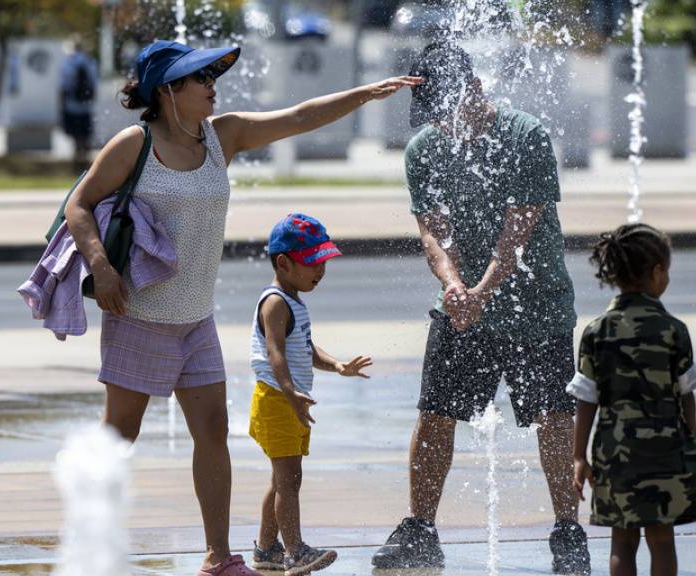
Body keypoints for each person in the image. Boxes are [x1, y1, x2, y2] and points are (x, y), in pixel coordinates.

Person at [62, 39, 418, 576]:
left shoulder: (220, 135)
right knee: (118, 437)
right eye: (199, 79)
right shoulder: (133, 145)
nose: (212, 86)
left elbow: (297, 117)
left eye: (211, 76)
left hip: (195, 320)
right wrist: (102, 267)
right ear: (167, 90)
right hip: (140, 317)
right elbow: (78, 205)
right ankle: (87, 546)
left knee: (212, 431)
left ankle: (218, 557)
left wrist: (362, 95)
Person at [371, 41, 590, 575]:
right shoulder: (424, 148)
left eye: (449, 110)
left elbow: (521, 224)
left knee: (553, 419)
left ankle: (567, 531)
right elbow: (433, 229)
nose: (445, 125)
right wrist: (453, 287)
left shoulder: (525, 135)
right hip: (461, 307)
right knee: (435, 415)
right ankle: (420, 528)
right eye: (434, 116)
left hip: (537, 307)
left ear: (474, 88)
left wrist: (482, 290)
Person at [568, 223, 696, 576]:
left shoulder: (596, 331)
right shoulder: (673, 329)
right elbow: (686, 396)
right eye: (666, 270)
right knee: (662, 539)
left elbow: (586, 400)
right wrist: (691, 444)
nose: (667, 278)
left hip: (614, 449)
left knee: (622, 541)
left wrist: (579, 456)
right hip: (665, 448)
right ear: (656, 272)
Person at [248, 213, 373, 576]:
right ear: (283, 263)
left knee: (282, 478)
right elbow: (275, 354)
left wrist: (338, 365)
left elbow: (305, 348)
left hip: (288, 399)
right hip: (277, 399)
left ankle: (267, 549)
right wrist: (290, 393)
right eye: (312, 263)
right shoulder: (275, 303)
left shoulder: (293, 300)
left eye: (323, 262)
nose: (320, 271)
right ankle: (295, 550)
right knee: (289, 480)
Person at [59, 39, 99, 172]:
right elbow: (94, 86)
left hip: (71, 105)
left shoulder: (67, 63)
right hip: (86, 106)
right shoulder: (90, 62)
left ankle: (76, 164)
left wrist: (61, 107)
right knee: (85, 136)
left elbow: (63, 87)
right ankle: (86, 165)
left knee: (75, 138)